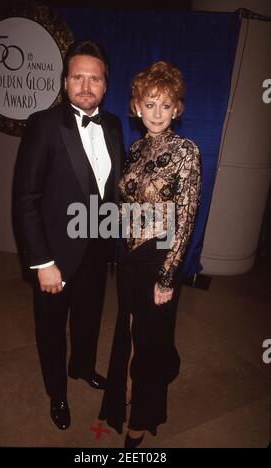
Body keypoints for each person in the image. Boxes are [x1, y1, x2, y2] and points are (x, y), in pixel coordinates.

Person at [13, 40, 124, 430]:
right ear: (64, 82)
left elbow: (111, 190)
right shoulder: (43, 124)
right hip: (54, 255)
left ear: (105, 86)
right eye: (78, 76)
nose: (86, 85)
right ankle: (57, 393)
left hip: (97, 249)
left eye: (94, 78)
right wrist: (42, 262)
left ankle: (82, 367)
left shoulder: (111, 125)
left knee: (90, 318)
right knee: (51, 330)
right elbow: (26, 198)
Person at [99, 61, 201, 447]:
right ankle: (125, 384)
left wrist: (167, 276)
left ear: (176, 109)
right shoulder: (137, 148)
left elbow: (187, 218)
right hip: (128, 258)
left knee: (150, 339)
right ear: (137, 106)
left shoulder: (185, 151)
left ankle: (141, 418)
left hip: (160, 257)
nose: (157, 112)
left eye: (165, 104)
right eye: (149, 103)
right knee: (128, 329)